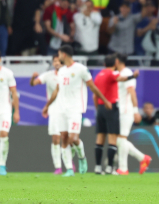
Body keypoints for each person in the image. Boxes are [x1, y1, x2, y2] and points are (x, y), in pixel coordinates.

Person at [42, 45, 111, 177]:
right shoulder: (61, 71)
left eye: (59, 54)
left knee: (73, 138)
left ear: (64, 55)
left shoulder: (81, 69)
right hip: (61, 109)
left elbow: (92, 87)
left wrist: (105, 100)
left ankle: (82, 157)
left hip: (75, 109)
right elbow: (57, 90)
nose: (58, 57)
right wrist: (47, 105)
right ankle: (69, 169)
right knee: (64, 138)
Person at [114, 53, 151, 176]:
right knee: (119, 140)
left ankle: (123, 168)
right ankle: (142, 158)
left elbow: (132, 93)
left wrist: (135, 111)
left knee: (122, 139)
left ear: (118, 61)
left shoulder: (126, 73)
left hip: (126, 110)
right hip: (120, 110)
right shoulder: (120, 74)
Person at [30, 55, 68, 175]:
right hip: (54, 109)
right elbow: (33, 84)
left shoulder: (67, 74)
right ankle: (58, 166)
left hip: (67, 108)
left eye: (58, 61)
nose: (56, 63)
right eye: (54, 61)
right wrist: (32, 78)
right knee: (56, 138)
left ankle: (69, 161)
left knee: (68, 138)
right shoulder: (49, 75)